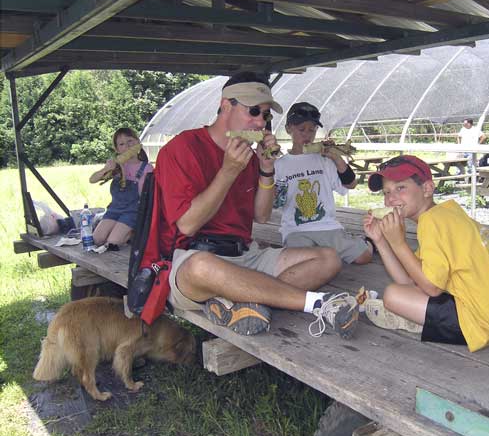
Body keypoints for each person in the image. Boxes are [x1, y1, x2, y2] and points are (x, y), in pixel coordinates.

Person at [154, 72, 362, 339]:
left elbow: (261, 216)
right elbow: (188, 224)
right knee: (201, 267)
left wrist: (266, 169)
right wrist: (228, 172)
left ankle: (243, 302)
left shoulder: (251, 157)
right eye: (253, 111)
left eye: (265, 115)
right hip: (195, 257)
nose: (259, 122)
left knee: (328, 259)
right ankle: (318, 304)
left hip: (246, 256)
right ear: (226, 105)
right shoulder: (182, 147)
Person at [362, 155, 489, 352]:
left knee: (392, 296)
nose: (390, 198)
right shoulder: (447, 213)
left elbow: (431, 289)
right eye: (386, 192)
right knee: (400, 291)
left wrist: (399, 243)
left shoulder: (431, 223)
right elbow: (410, 282)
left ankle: (418, 322)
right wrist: (380, 240)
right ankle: (418, 319)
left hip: (484, 323)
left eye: (400, 188)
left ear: (427, 189)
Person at [274, 102, 373, 265]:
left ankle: (368, 242)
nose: (307, 135)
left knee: (363, 257)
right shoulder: (280, 165)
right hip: (296, 230)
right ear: (288, 129)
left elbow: (351, 184)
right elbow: (276, 202)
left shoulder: (324, 160)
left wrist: (336, 157)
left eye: (312, 130)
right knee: (303, 262)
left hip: (327, 226)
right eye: (301, 129)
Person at [89, 128, 153, 247]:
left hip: (133, 212)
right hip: (115, 209)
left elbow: (147, 196)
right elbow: (92, 179)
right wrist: (106, 169)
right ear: (117, 149)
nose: (127, 146)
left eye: (130, 141)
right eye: (122, 144)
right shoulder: (115, 167)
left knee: (113, 242)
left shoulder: (146, 168)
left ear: (138, 143)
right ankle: (122, 232)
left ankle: (133, 233)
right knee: (97, 239)